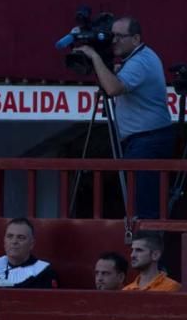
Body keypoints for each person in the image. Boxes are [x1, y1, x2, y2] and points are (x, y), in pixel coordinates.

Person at [75, 16, 174, 220]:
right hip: (141, 139)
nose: (114, 41)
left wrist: (95, 57)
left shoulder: (140, 61)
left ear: (136, 38)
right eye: (112, 36)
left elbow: (113, 88)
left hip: (147, 139)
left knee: (145, 208)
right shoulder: (137, 58)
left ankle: (146, 244)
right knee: (138, 201)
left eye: (120, 36)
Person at [0, 217, 58, 288]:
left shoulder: (45, 273)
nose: (14, 241)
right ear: (4, 241)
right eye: (10, 236)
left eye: (21, 237)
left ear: (31, 244)